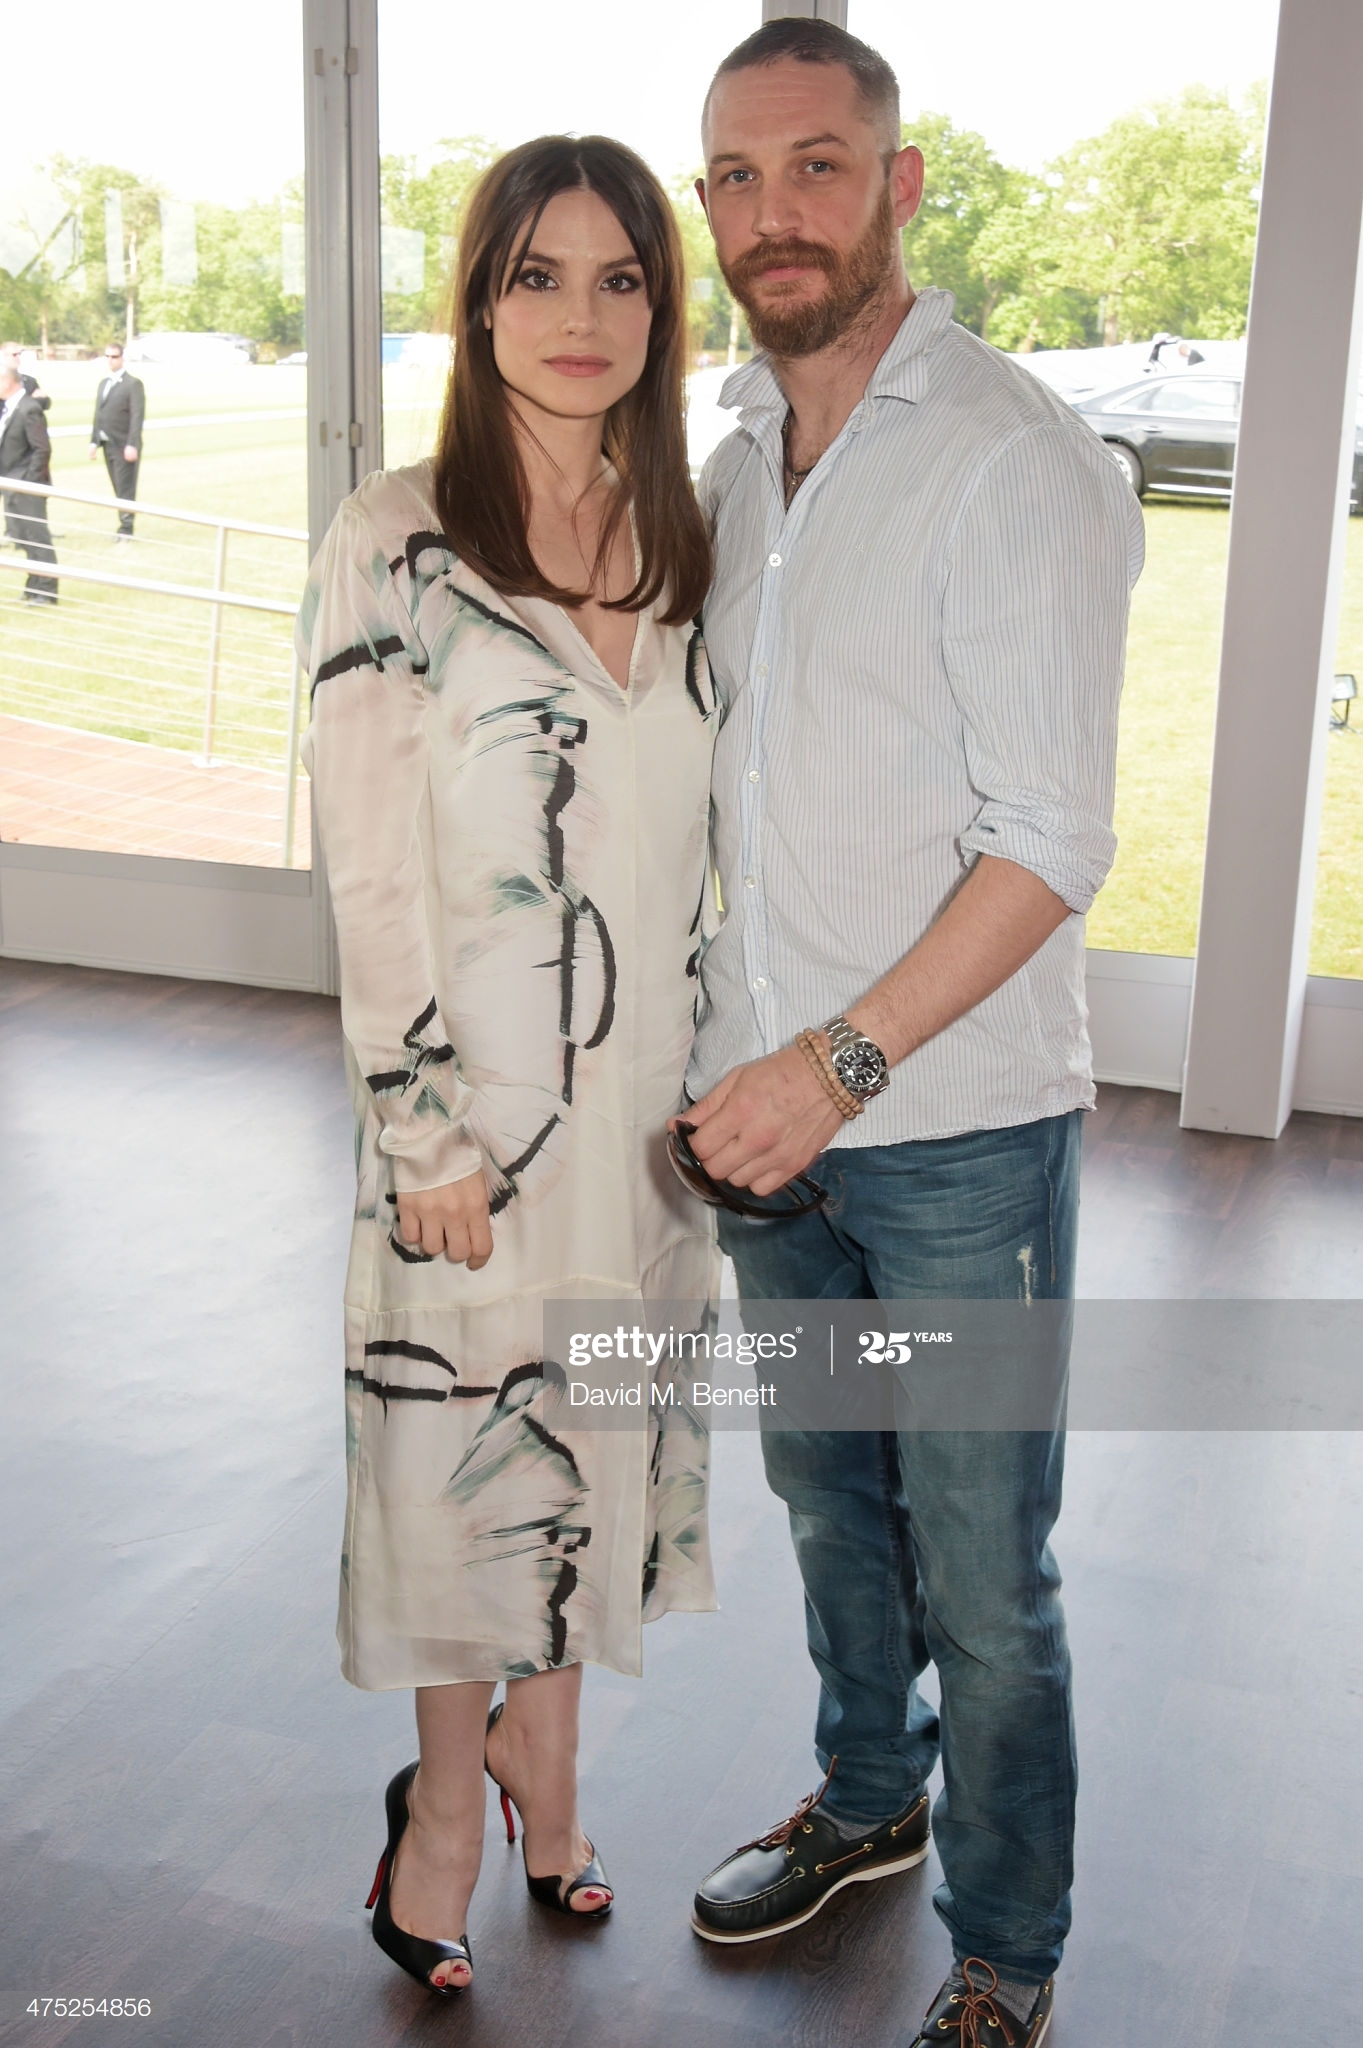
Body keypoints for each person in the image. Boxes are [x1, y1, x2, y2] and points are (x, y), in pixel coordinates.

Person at [681, 21, 1143, 2047]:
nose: (771, 213)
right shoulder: (731, 466)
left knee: (981, 1568)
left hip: (947, 1133)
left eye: (814, 164)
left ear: (899, 183)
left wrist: (835, 1064)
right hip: (763, 1137)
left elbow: (1050, 839)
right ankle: (868, 1796)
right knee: (827, 1510)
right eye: (735, 175)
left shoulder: (1007, 456)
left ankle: (1007, 1948)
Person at [296, 134, 719, 1999]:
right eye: (536, 274)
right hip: (473, 1121)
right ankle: (445, 1816)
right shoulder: (395, 536)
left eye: (619, 277)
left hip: (648, 1127)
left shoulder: (685, 538)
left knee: (585, 1452)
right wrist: (420, 1128)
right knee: (466, 1465)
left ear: (660, 310)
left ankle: (552, 1773)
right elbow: (369, 865)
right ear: (477, 303)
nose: (578, 314)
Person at [0, 347, 58, 605]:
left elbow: (41, 449)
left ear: (7, 382)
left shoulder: (28, 408)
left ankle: (47, 590)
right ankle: (34, 584)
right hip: (11, 484)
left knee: (37, 538)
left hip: (27, 485)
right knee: (23, 537)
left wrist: (29, 482)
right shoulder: (9, 408)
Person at [88, 342, 144, 536]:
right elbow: (99, 414)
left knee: (125, 487)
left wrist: (132, 444)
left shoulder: (132, 384)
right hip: (107, 443)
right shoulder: (104, 383)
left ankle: (126, 527)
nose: (111, 360)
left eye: (114, 357)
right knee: (117, 485)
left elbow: (137, 416)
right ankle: (123, 522)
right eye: (108, 357)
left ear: (122, 358)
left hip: (123, 444)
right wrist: (94, 441)